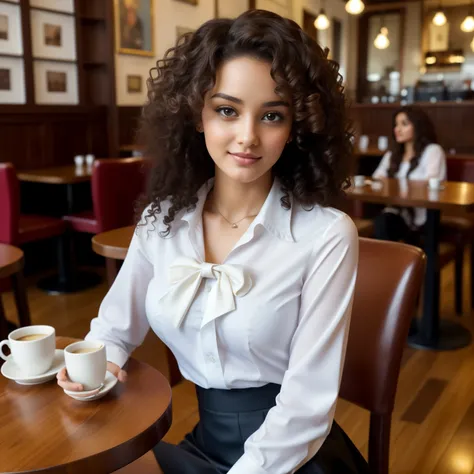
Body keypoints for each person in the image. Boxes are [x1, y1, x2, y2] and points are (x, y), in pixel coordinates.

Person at [57, 10, 370, 474]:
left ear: (295, 127)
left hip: (293, 455)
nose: (248, 136)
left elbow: (306, 407)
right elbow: (115, 328)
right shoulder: (161, 221)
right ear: (197, 114)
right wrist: (97, 366)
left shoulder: (326, 235)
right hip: (204, 445)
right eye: (227, 109)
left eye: (272, 115)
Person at [372, 106, 446, 245]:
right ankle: (387, 265)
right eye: (396, 125)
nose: (397, 129)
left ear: (418, 126)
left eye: (404, 124)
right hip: (397, 214)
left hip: (423, 218)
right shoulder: (392, 155)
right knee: (383, 222)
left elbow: (432, 184)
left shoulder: (433, 151)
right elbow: (377, 178)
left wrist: (393, 186)